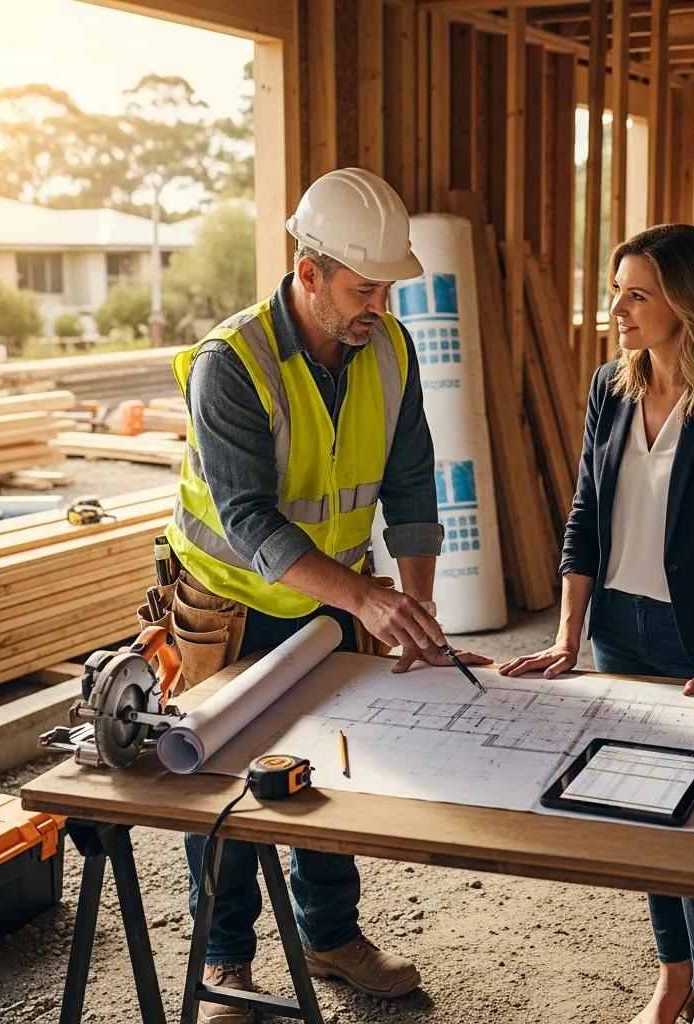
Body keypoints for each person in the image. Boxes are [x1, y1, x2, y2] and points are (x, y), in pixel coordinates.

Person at [166, 166, 490, 1024]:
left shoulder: (388, 348)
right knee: (231, 794)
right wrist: (367, 601)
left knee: (330, 779)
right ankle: (227, 965)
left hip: (328, 603)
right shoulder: (229, 365)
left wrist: (412, 612)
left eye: (386, 287)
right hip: (232, 607)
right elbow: (248, 521)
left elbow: (414, 489)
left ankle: (329, 937)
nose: (378, 305)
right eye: (363, 287)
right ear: (307, 273)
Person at [500, 223, 694, 1024]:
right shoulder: (608, 387)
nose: (615, 307)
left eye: (635, 293)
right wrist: (567, 636)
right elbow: (585, 511)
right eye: (616, 290)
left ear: (684, 304)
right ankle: (673, 976)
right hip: (619, 627)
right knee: (641, 812)